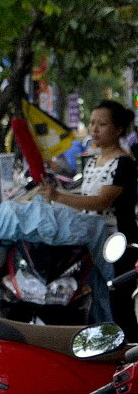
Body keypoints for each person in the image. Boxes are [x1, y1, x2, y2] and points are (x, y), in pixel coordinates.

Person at [42, 99, 138, 338]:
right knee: (97, 299)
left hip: (118, 243)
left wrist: (59, 197)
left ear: (118, 130)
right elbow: (84, 197)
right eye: (92, 123)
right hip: (94, 241)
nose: (94, 129)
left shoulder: (123, 163)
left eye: (102, 124)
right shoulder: (93, 160)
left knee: (119, 303)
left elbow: (101, 201)